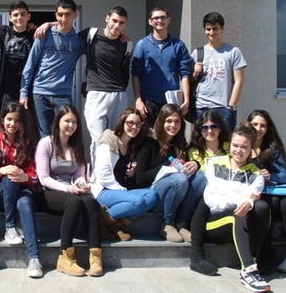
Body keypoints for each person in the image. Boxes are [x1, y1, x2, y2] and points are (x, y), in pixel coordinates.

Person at [189, 123, 271, 293]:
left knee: (261, 207)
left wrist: (248, 201)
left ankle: (252, 261)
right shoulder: (214, 164)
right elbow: (212, 200)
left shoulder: (256, 175)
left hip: (240, 227)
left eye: (244, 147)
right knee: (241, 210)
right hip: (215, 224)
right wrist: (243, 199)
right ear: (229, 145)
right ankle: (248, 270)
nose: (238, 150)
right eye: (235, 145)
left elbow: (253, 198)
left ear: (251, 149)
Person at [35, 105, 102, 277]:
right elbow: (43, 178)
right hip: (46, 192)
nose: (71, 125)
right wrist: (68, 189)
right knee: (74, 201)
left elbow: (79, 174)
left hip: (69, 190)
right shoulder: (46, 143)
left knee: (89, 200)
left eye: (74, 122)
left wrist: (81, 185)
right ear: (58, 122)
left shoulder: (77, 146)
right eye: (67, 121)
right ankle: (64, 256)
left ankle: (95, 254)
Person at [134, 104, 207, 243]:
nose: (173, 125)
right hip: (154, 194)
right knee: (178, 179)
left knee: (200, 177)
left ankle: (182, 223)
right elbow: (140, 179)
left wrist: (195, 164)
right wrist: (167, 166)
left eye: (177, 121)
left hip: (176, 193)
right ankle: (167, 223)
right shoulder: (148, 143)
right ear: (161, 122)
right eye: (169, 121)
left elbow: (185, 167)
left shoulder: (180, 144)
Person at [0, 101, 42, 278]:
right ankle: (10, 226)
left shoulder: (28, 142)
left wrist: (25, 177)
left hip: (23, 189)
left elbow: (35, 176)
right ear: (2, 120)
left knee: (25, 203)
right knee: (10, 178)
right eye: (9, 119)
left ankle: (34, 258)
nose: (13, 124)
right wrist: (1, 171)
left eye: (17, 120)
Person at [89, 108, 159, 241]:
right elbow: (103, 175)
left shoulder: (132, 145)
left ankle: (113, 224)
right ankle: (99, 223)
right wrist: (124, 191)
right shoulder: (108, 141)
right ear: (122, 122)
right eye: (130, 123)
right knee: (137, 200)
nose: (134, 127)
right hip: (103, 190)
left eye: (138, 124)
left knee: (152, 196)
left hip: (119, 191)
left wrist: (130, 173)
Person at [248, 109, 286, 273]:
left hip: (277, 196)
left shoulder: (273, 149)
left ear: (268, 128)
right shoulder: (242, 145)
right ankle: (265, 255)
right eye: (255, 124)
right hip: (260, 199)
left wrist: (269, 175)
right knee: (270, 204)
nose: (258, 129)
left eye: (263, 125)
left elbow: (284, 175)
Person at [20, 0, 83, 137]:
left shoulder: (79, 40)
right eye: (60, 14)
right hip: (40, 93)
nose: (63, 18)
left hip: (63, 94)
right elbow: (30, 64)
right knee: (45, 136)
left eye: (67, 14)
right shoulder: (43, 35)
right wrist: (23, 93)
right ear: (56, 15)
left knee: (67, 134)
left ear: (75, 15)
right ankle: (47, 160)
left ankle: (64, 159)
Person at [131, 7, 192, 127]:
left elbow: (184, 74)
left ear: (168, 20)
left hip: (171, 102)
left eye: (163, 17)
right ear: (150, 21)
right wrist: (138, 100)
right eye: (156, 18)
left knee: (171, 139)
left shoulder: (178, 45)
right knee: (149, 140)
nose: (159, 20)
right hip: (148, 102)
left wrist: (186, 101)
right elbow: (135, 74)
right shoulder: (142, 45)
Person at [82, 6, 133, 141]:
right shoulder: (91, 34)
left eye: (121, 23)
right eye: (114, 21)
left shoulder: (127, 44)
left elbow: (125, 72)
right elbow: (67, 32)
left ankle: (114, 164)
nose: (116, 26)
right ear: (107, 18)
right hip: (96, 93)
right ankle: (98, 164)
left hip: (119, 95)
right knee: (98, 139)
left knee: (117, 139)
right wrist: (48, 24)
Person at [190, 12, 247, 130]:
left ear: (222, 29)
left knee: (224, 145)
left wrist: (231, 106)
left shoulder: (233, 52)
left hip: (223, 107)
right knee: (201, 143)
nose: (211, 33)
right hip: (201, 107)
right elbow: (190, 79)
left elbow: (239, 80)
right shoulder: (198, 53)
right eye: (208, 29)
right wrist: (195, 73)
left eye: (215, 28)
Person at [0, 1, 36, 112]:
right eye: (15, 15)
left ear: (28, 16)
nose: (19, 17)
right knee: (7, 122)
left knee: (27, 124)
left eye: (23, 14)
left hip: (28, 88)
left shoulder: (35, 33)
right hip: (6, 89)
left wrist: (47, 24)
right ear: (10, 17)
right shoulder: (3, 31)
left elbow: (61, 24)